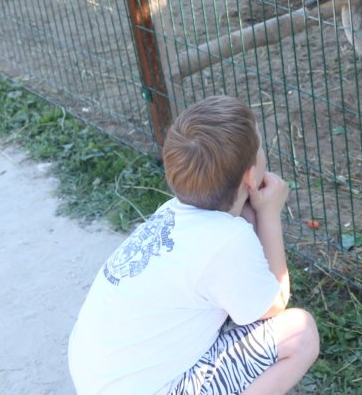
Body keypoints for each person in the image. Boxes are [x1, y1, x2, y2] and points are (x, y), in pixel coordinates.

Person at [68, 95, 320, 394]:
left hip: (99, 379)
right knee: (299, 334)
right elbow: (274, 304)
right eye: (260, 147)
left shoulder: (170, 213)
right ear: (250, 176)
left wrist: (254, 213)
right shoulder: (229, 239)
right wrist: (269, 214)